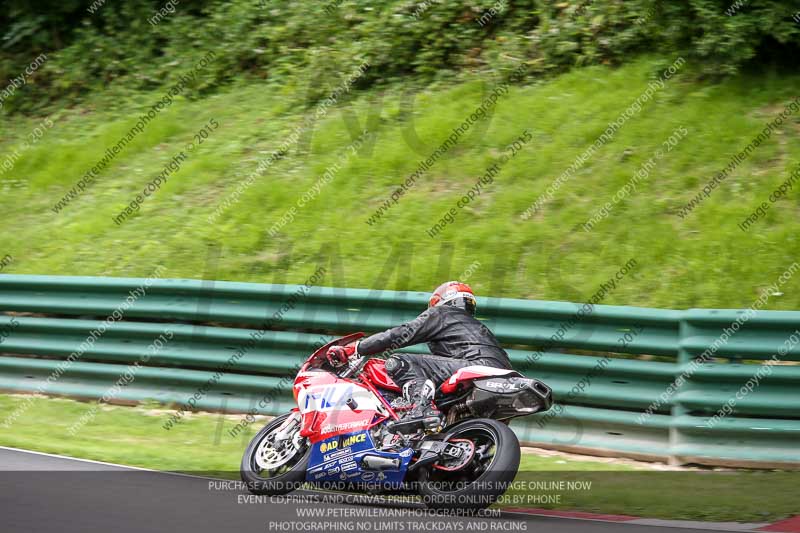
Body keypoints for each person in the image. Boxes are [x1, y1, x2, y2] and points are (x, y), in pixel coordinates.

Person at [326, 281, 513, 434]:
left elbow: (402, 333)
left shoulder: (442, 314)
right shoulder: (481, 328)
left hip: (474, 367)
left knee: (399, 362)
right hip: (505, 376)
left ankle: (420, 408)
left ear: (440, 302)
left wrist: (357, 348)